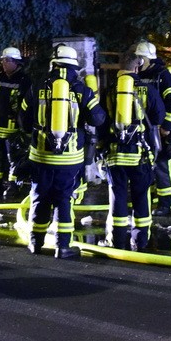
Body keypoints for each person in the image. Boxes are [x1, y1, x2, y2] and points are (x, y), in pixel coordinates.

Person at [20, 44, 106, 259]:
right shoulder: (81, 89)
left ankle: (35, 242)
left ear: (53, 63)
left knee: (39, 196)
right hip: (70, 158)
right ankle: (63, 246)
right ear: (74, 66)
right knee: (64, 199)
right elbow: (98, 119)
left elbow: (22, 120)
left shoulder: (37, 87)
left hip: (40, 156)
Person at [99, 51, 165, 251]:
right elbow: (158, 116)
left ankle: (116, 240)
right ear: (137, 68)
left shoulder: (111, 90)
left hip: (115, 154)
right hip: (140, 155)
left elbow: (101, 122)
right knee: (141, 196)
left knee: (117, 196)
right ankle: (140, 241)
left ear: (120, 67)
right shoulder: (148, 89)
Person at [134, 41, 171, 217]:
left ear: (149, 58)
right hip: (142, 130)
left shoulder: (163, 75)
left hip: (158, 130)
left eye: (141, 57)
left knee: (162, 166)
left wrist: (167, 128)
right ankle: (145, 202)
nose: (138, 61)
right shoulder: (137, 76)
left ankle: (166, 204)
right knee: (144, 167)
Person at [0, 47, 31, 198]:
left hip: (14, 129)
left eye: (7, 60)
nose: (3, 63)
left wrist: (23, 125)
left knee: (14, 159)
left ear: (16, 62)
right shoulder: (0, 77)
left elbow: (26, 105)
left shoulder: (24, 80)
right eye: (2, 60)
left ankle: (13, 187)